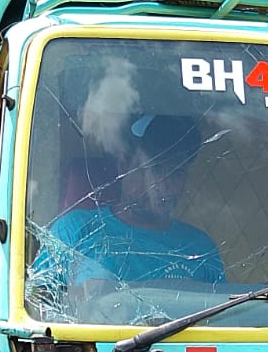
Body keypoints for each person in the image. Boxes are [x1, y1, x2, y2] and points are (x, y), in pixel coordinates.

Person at [30, 113, 224, 295]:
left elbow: (221, 320)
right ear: (124, 166)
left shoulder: (199, 247)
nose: (166, 185)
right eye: (156, 169)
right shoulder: (74, 230)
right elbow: (40, 305)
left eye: (177, 173)